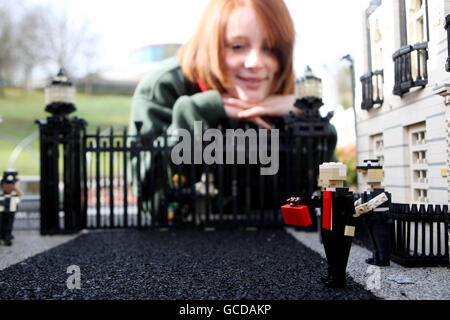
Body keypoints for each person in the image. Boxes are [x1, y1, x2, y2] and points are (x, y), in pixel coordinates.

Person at [128, 0, 338, 221]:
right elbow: (156, 206)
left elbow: (318, 201)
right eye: (237, 46)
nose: (255, 62)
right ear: (211, 44)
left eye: (269, 47)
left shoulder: (289, 95)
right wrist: (195, 112)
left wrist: (307, 117)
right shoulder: (163, 87)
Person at [0, 170, 23, 246]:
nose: (8, 186)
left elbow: (19, 195)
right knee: (2, 221)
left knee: (9, 222)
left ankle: (7, 236)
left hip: (11, 203)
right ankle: (4, 236)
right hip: (3, 204)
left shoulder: (13, 187)